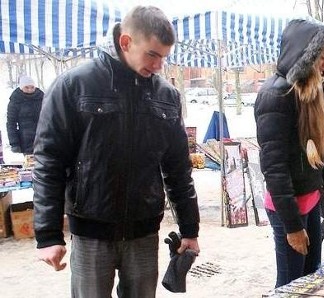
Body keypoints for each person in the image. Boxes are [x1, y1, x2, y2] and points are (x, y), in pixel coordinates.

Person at [33, 6, 200, 297]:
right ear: (126, 42)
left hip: (144, 233)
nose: (159, 65)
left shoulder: (167, 96)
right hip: (90, 232)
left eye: (164, 57)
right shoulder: (74, 85)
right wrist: (48, 234)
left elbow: (178, 169)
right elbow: (49, 161)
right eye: (152, 54)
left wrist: (190, 229)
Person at [254, 19, 324, 288]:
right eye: (321, 58)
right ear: (304, 55)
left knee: (312, 278)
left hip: (312, 202)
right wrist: (292, 227)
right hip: (289, 208)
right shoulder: (275, 96)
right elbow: (274, 169)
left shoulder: (309, 92)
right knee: (291, 284)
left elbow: (320, 158)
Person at [7, 75, 44, 155]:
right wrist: (14, 143)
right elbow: (11, 123)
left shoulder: (42, 98)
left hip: (43, 138)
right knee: (30, 164)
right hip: (26, 141)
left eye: (32, 87)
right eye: (26, 87)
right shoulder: (15, 100)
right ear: (21, 88)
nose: (30, 90)